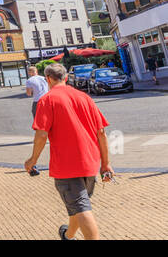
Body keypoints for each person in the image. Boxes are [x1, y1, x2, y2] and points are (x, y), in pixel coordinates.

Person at [24, 62, 113, 240]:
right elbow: (101, 133)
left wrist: (32, 160)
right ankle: (68, 235)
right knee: (77, 206)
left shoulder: (47, 100)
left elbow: (41, 135)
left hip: (67, 166)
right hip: (90, 163)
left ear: (48, 79)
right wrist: (106, 164)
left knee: (81, 208)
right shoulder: (84, 97)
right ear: (65, 77)